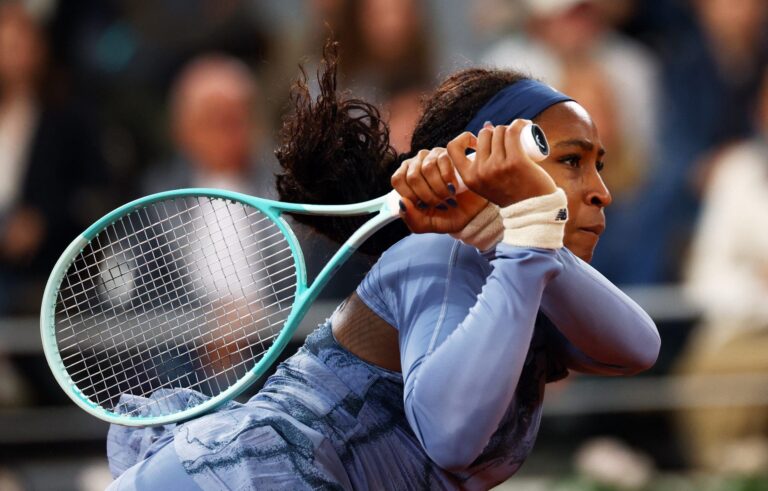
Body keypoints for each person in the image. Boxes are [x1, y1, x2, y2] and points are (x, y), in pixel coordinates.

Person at [106, 40, 660, 490]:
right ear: (491, 165)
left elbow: (637, 349)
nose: (601, 192)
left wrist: (520, 237)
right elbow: (452, 438)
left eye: (597, 164)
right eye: (570, 161)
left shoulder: (516, 263)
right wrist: (523, 238)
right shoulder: (437, 255)